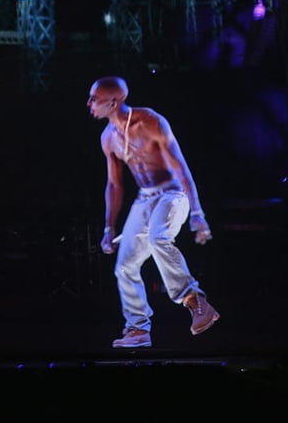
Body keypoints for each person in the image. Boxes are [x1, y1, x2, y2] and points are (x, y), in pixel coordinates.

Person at [86, 76, 219, 348]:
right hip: (145, 199)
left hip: (173, 194)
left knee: (158, 239)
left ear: (113, 102)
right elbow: (114, 184)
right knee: (124, 266)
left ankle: (196, 301)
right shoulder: (108, 138)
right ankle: (137, 329)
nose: (89, 104)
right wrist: (109, 228)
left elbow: (180, 166)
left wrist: (197, 212)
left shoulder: (150, 121)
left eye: (94, 99)